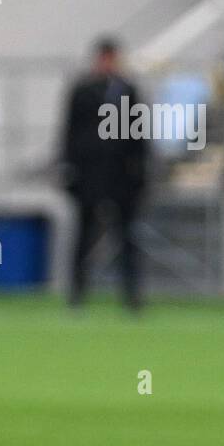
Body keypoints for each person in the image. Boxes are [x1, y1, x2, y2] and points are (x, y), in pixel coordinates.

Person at [60, 37, 147, 310]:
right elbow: (69, 133)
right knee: (84, 235)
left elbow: (137, 133)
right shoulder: (83, 90)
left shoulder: (127, 90)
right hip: (89, 175)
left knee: (127, 237)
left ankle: (130, 295)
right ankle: (77, 293)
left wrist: (140, 169)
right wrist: (68, 168)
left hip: (121, 176)